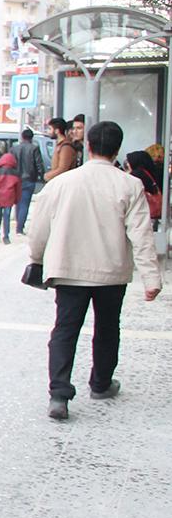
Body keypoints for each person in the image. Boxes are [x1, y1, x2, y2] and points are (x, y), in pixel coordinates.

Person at [27, 120, 162, 420]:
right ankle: (101, 383)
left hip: (68, 268)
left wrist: (36, 259)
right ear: (117, 150)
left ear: (87, 146)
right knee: (107, 327)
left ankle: (59, 395)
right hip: (111, 272)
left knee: (65, 329)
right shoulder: (129, 185)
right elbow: (141, 234)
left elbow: (38, 230)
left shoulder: (61, 183)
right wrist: (152, 278)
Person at [12, 127, 44, 235]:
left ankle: (18, 224)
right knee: (25, 203)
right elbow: (39, 164)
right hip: (29, 179)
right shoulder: (34, 148)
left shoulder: (14, 149)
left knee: (18, 203)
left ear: (22, 137)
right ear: (32, 137)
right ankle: (20, 228)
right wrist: (42, 176)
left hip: (16, 179)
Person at [125, 149, 163, 231]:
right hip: (153, 215)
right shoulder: (146, 173)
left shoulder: (137, 174)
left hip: (143, 216)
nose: (127, 164)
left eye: (128, 161)